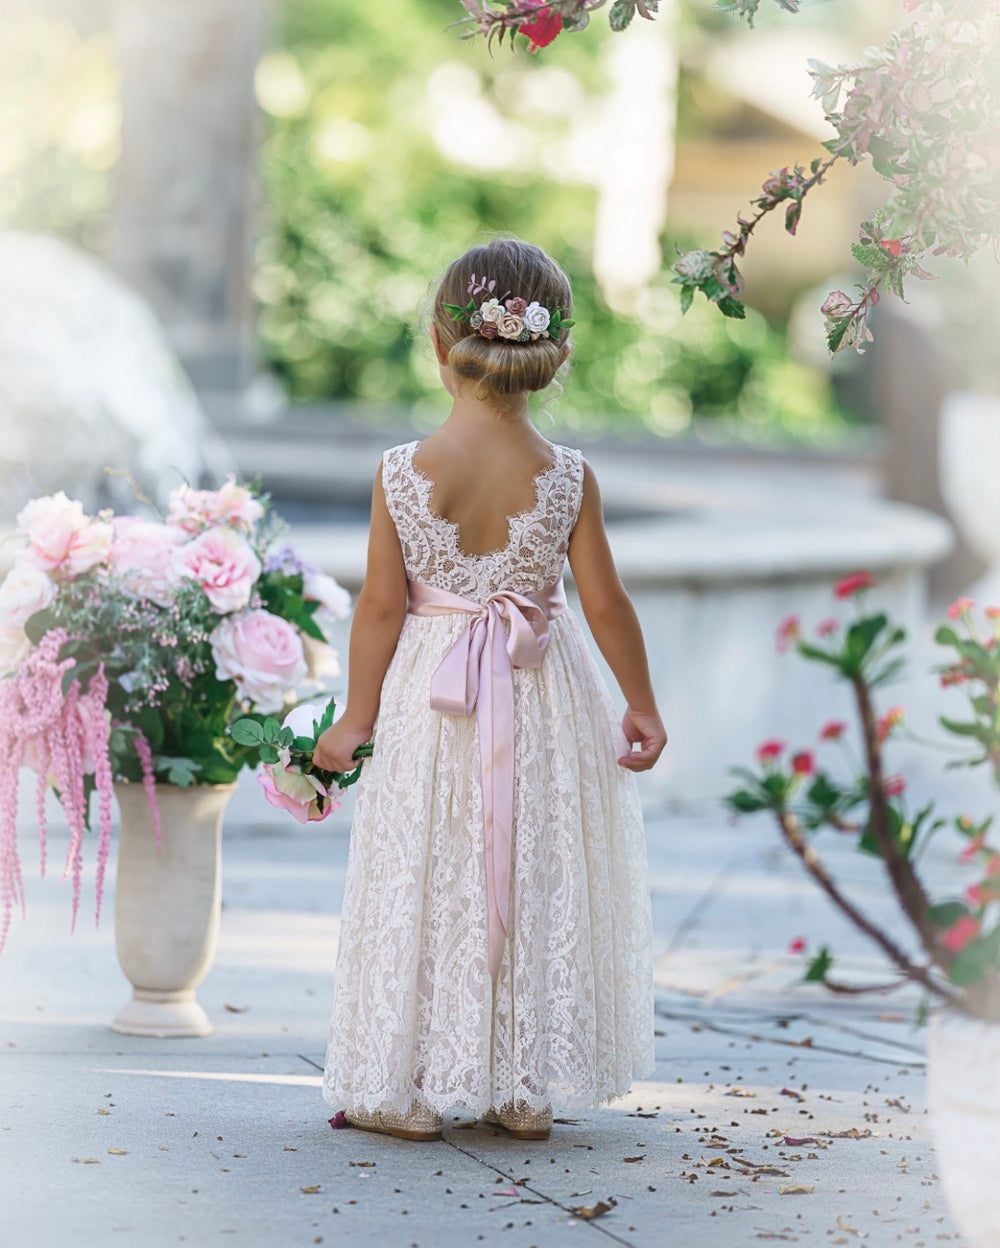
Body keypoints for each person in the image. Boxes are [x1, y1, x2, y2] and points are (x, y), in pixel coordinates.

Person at [314, 238, 667, 1143]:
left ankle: (407, 1087)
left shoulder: (402, 472)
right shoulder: (569, 476)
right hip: (541, 689)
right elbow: (607, 603)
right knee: (533, 866)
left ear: (440, 340)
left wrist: (356, 716)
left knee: (429, 868)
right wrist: (640, 702)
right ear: (557, 354)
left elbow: (382, 609)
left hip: (433, 698)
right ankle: (520, 1083)